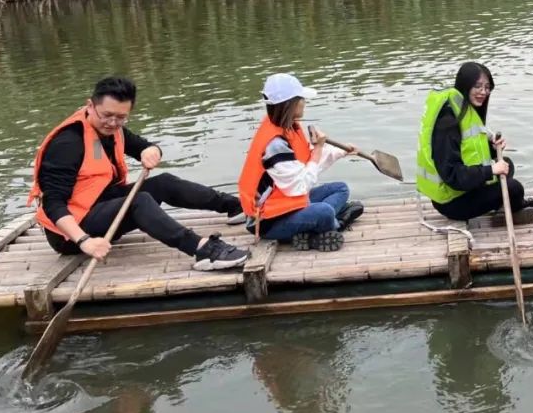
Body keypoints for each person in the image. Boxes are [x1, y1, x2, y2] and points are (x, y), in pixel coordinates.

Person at [29, 76, 249, 271]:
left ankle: (236, 207)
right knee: (139, 201)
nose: (113, 123)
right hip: (69, 234)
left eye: (121, 117)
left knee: (163, 183)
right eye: (107, 115)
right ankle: (202, 250)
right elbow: (53, 204)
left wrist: (151, 151)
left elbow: (143, 146)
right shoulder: (67, 144)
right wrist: (84, 241)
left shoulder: (112, 129)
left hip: (98, 206)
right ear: (90, 105)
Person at [416, 62, 533, 226]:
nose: (483, 92)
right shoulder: (448, 121)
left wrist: (493, 149)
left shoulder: (462, 109)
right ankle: (517, 206)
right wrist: (491, 170)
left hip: (462, 190)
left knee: (507, 164)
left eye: (487, 87)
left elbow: (468, 151)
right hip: (452, 202)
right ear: (465, 85)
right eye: (478, 86)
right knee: (513, 188)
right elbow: (452, 175)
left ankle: (507, 204)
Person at [238, 74, 363, 251]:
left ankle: (321, 225)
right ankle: (336, 224)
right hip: (269, 220)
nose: (304, 102)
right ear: (291, 103)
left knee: (340, 188)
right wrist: (318, 149)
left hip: (288, 203)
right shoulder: (275, 145)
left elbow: (307, 161)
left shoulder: (288, 127)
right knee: (325, 211)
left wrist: (342, 152)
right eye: (301, 98)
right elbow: (301, 185)